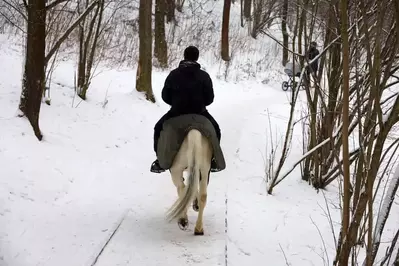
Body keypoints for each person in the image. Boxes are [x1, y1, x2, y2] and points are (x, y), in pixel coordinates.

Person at [150, 46, 222, 173]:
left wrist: (176, 102)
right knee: (216, 129)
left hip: (176, 114)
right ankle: (214, 161)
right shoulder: (204, 76)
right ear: (197, 58)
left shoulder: (173, 75)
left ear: (184, 56)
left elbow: (165, 97)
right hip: (200, 114)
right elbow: (210, 99)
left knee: (158, 128)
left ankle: (159, 161)